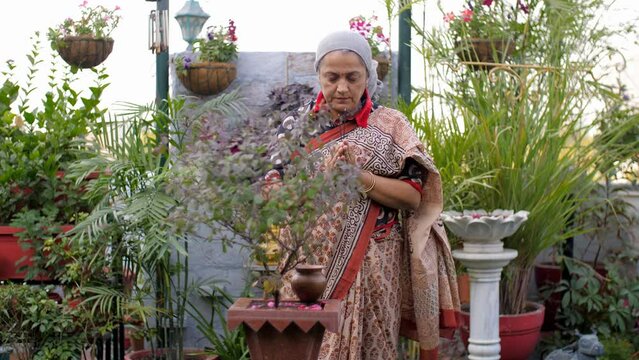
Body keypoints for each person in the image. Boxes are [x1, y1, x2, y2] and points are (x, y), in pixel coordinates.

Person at [270, 30, 460, 360]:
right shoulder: (296, 128)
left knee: (376, 349)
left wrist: (360, 178)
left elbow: (415, 197)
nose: (341, 87)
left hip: (376, 265)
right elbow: (274, 200)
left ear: (367, 77)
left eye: (352, 77)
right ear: (318, 76)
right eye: (332, 77)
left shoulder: (391, 126)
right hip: (309, 268)